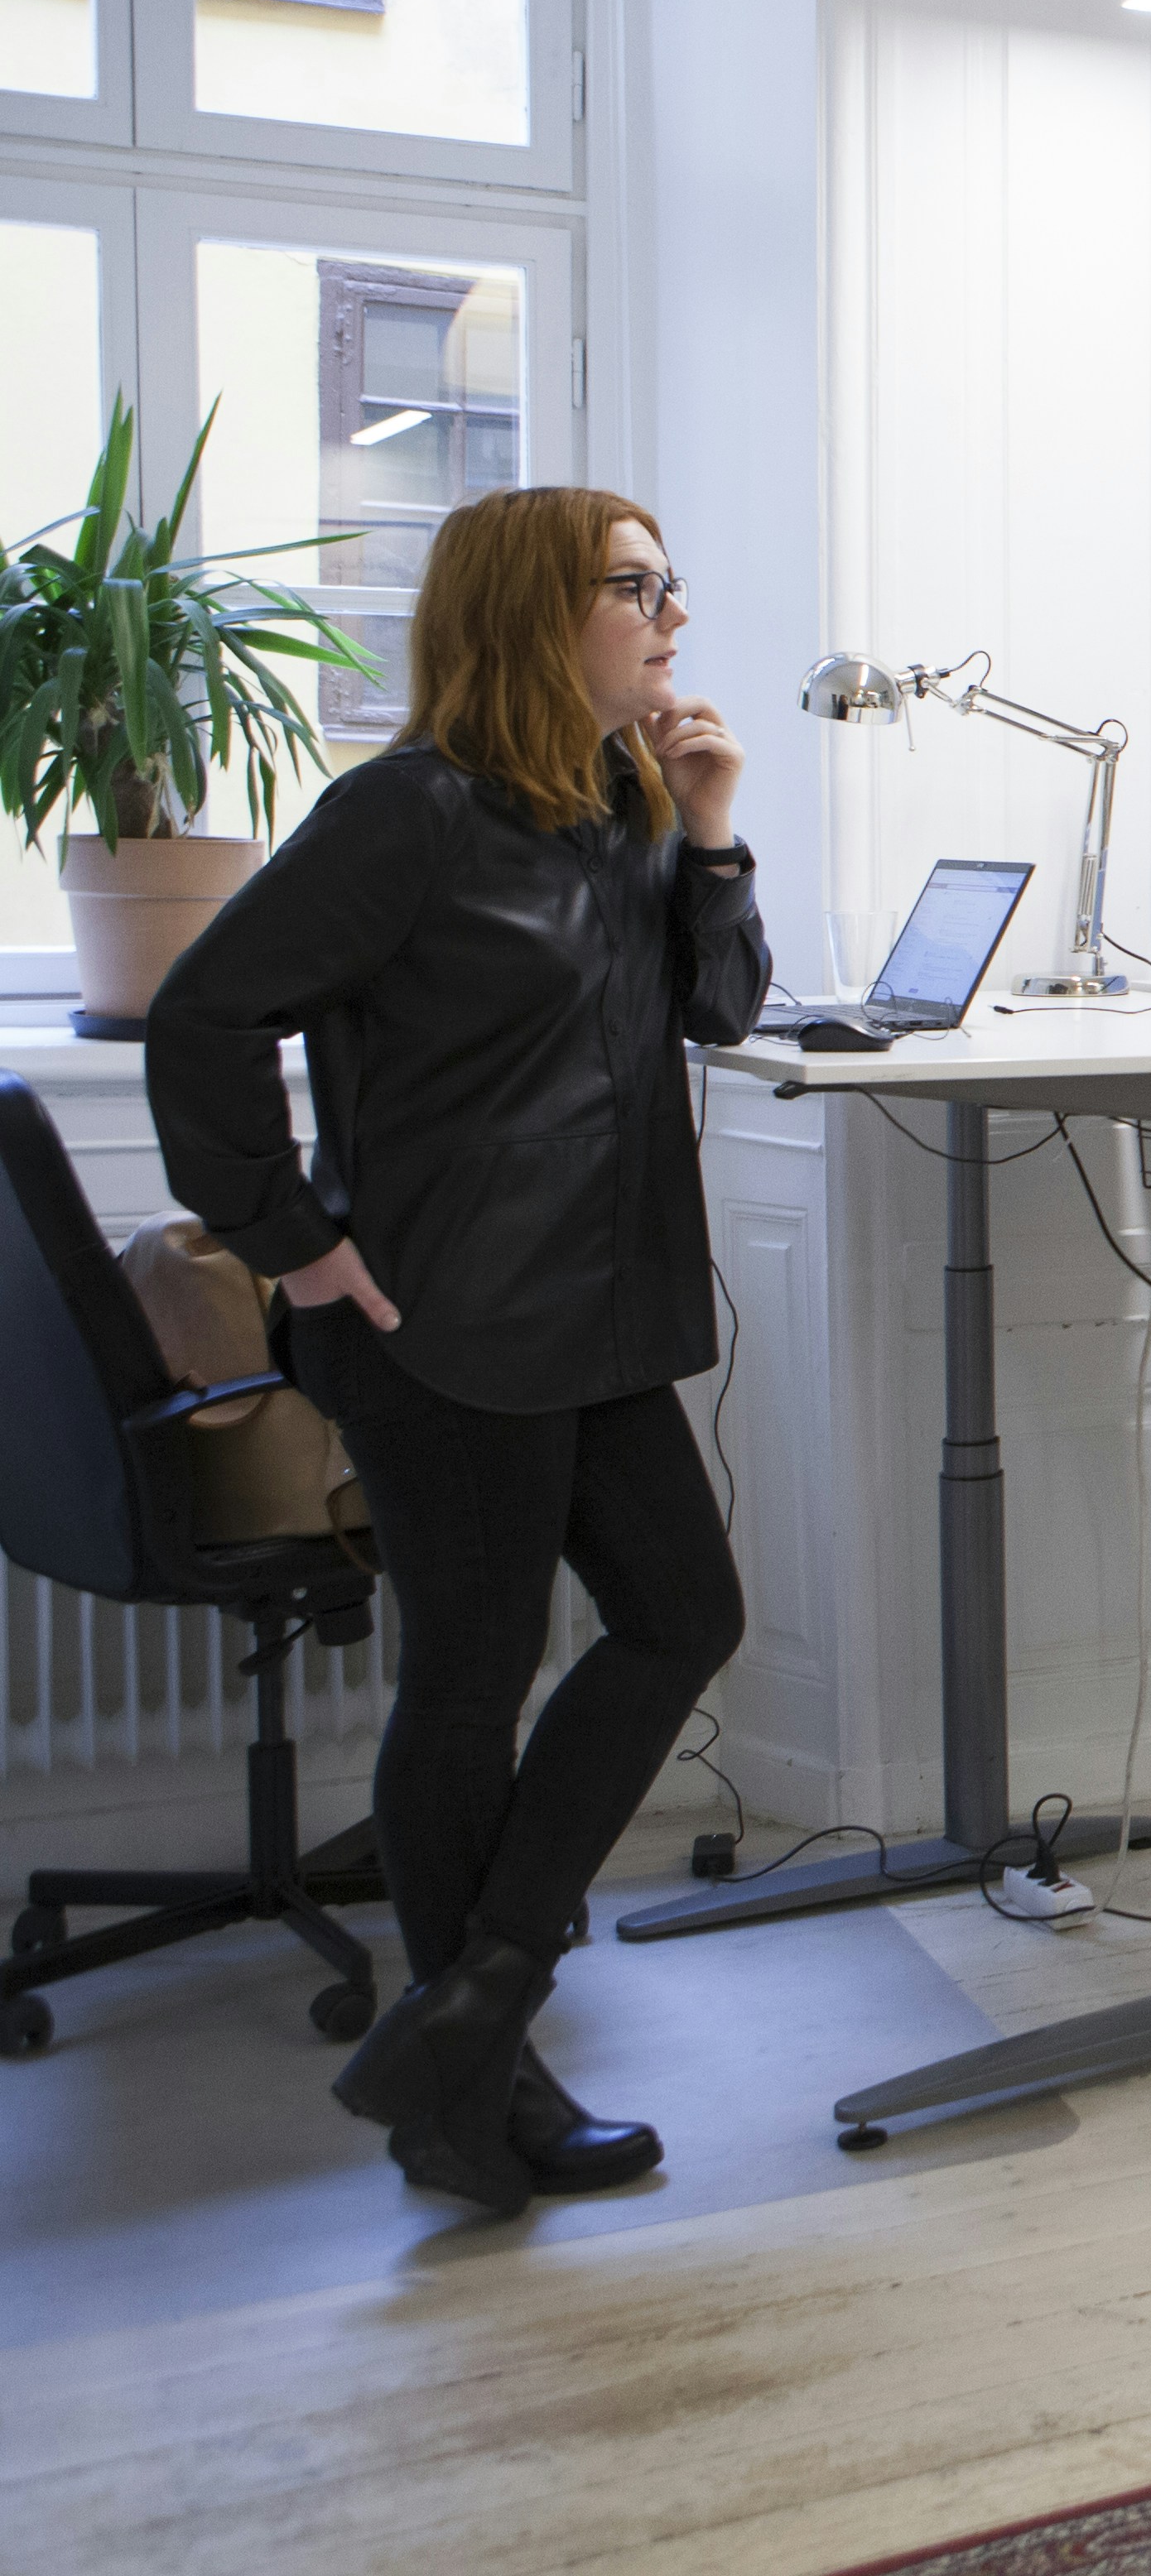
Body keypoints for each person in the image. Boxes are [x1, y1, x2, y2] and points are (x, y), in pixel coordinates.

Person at [147, 488, 768, 2211]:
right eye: (635, 587)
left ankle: (470, 2012)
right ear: (529, 608)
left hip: (604, 1309)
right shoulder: (404, 814)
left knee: (683, 1617)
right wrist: (294, 1241)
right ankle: (472, 2089)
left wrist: (711, 832)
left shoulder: (626, 805)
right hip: (442, 1326)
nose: (669, 618)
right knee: (473, 1681)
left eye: (671, 583)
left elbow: (718, 1012)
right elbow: (205, 1016)